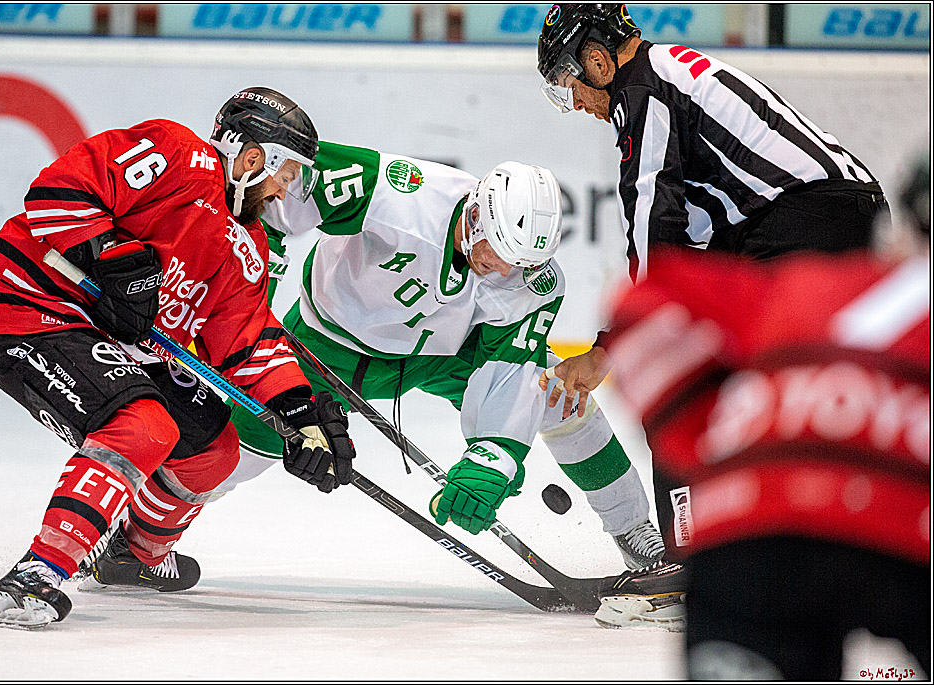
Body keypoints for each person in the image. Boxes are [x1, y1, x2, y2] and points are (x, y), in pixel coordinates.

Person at [212, 140, 683, 627]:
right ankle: (147, 529)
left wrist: (492, 459)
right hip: (324, 343)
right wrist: (251, 296)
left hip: (436, 354)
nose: (506, 271)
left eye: (520, 264)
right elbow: (267, 198)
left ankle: (638, 537)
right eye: (500, 254)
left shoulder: (528, 279)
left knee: (556, 394)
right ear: (477, 216)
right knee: (237, 450)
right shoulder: (396, 192)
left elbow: (509, 369)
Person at [0, 87, 357, 630]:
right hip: (34, 308)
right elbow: (60, 188)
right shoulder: (176, 154)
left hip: (118, 339)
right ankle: (38, 574)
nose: (283, 190)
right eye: (286, 173)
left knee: (214, 447)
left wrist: (299, 411)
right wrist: (111, 256)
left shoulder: (247, 242)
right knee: (144, 426)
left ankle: (133, 554)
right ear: (254, 158)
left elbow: (243, 338)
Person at [535, 3, 888, 555]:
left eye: (566, 84)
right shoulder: (668, 72)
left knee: (682, 377)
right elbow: (695, 248)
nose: (574, 104)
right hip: (833, 214)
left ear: (599, 61)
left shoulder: (641, 91)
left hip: (805, 220)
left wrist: (625, 340)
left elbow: (655, 219)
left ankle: (689, 558)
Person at [601, 156, 930, 678]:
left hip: (751, 530)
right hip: (904, 532)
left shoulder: (802, 283)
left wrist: (708, 451)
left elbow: (643, 309)